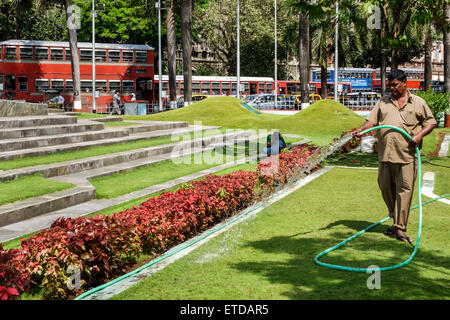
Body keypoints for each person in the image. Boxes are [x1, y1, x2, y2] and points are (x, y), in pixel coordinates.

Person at [353, 69, 436, 244]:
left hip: (407, 156)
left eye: (395, 85)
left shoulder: (418, 103)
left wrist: (419, 135)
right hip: (385, 155)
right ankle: (395, 219)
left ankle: (400, 228)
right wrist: (360, 130)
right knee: (385, 188)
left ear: (405, 83)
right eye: (390, 85)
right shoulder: (383, 102)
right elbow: (371, 121)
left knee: (404, 192)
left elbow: (431, 122)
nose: (392, 88)